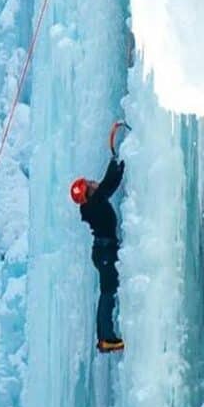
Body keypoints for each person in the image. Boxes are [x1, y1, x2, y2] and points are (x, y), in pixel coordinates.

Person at [70, 125, 127, 354]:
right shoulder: (94, 203)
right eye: (89, 184)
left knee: (110, 290)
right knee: (107, 292)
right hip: (105, 252)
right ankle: (105, 338)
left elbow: (106, 186)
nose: (92, 182)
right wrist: (116, 159)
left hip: (104, 251)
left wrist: (118, 163)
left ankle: (107, 335)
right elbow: (108, 184)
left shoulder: (93, 203)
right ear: (88, 192)